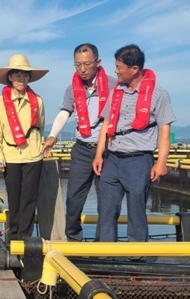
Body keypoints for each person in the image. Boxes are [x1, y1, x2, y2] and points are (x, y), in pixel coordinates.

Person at [92, 44, 175, 242]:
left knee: (136, 210)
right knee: (106, 208)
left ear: (134, 69)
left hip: (139, 160)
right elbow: (106, 124)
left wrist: (161, 162)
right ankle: (106, 253)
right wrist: (98, 154)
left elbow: (164, 130)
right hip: (112, 158)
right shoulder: (117, 91)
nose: (116, 71)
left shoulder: (158, 94)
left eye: (119, 67)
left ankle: (137, 256)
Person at [42, 43, 116, 241]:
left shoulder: (113, 85)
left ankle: (104, 244)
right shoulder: (72, 89)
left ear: (98, 62)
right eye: (77, 65)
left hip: (109, 151)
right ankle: (74, 240)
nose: (82, 69)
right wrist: (52, 135)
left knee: (107, 201)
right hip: (82, 150)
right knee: (73, 198)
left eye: (87, 64)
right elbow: (64, 112)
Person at [0, 54, 48, 241]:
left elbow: (41, 126)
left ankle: (25, 239)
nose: (22, 79)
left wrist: (41, 147)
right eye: (18, 75)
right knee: (14, 198)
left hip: (33, 155)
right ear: (10, 78)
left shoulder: (37, 100)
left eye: (25, 75)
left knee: (29, 199)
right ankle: (13, 238)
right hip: (10, 155)